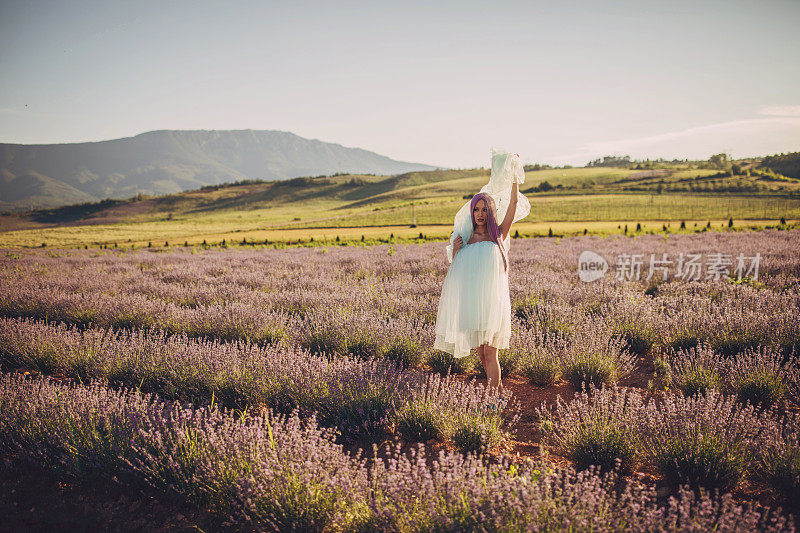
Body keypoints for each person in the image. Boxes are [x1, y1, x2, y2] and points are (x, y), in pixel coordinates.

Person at [433, 148, 531, 396]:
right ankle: (495, 397)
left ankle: (494, 399)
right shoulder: (465, 241)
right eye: (476, 209)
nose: (479, 214)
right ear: (471, 212)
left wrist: (514, 176)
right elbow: (457, 274)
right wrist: (455, 251)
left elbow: (514, 203)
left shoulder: (498, 234)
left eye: (484, 209)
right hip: (473, 306)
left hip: (492, 305)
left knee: (490, 353)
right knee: (482, 354)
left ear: (490, 212)